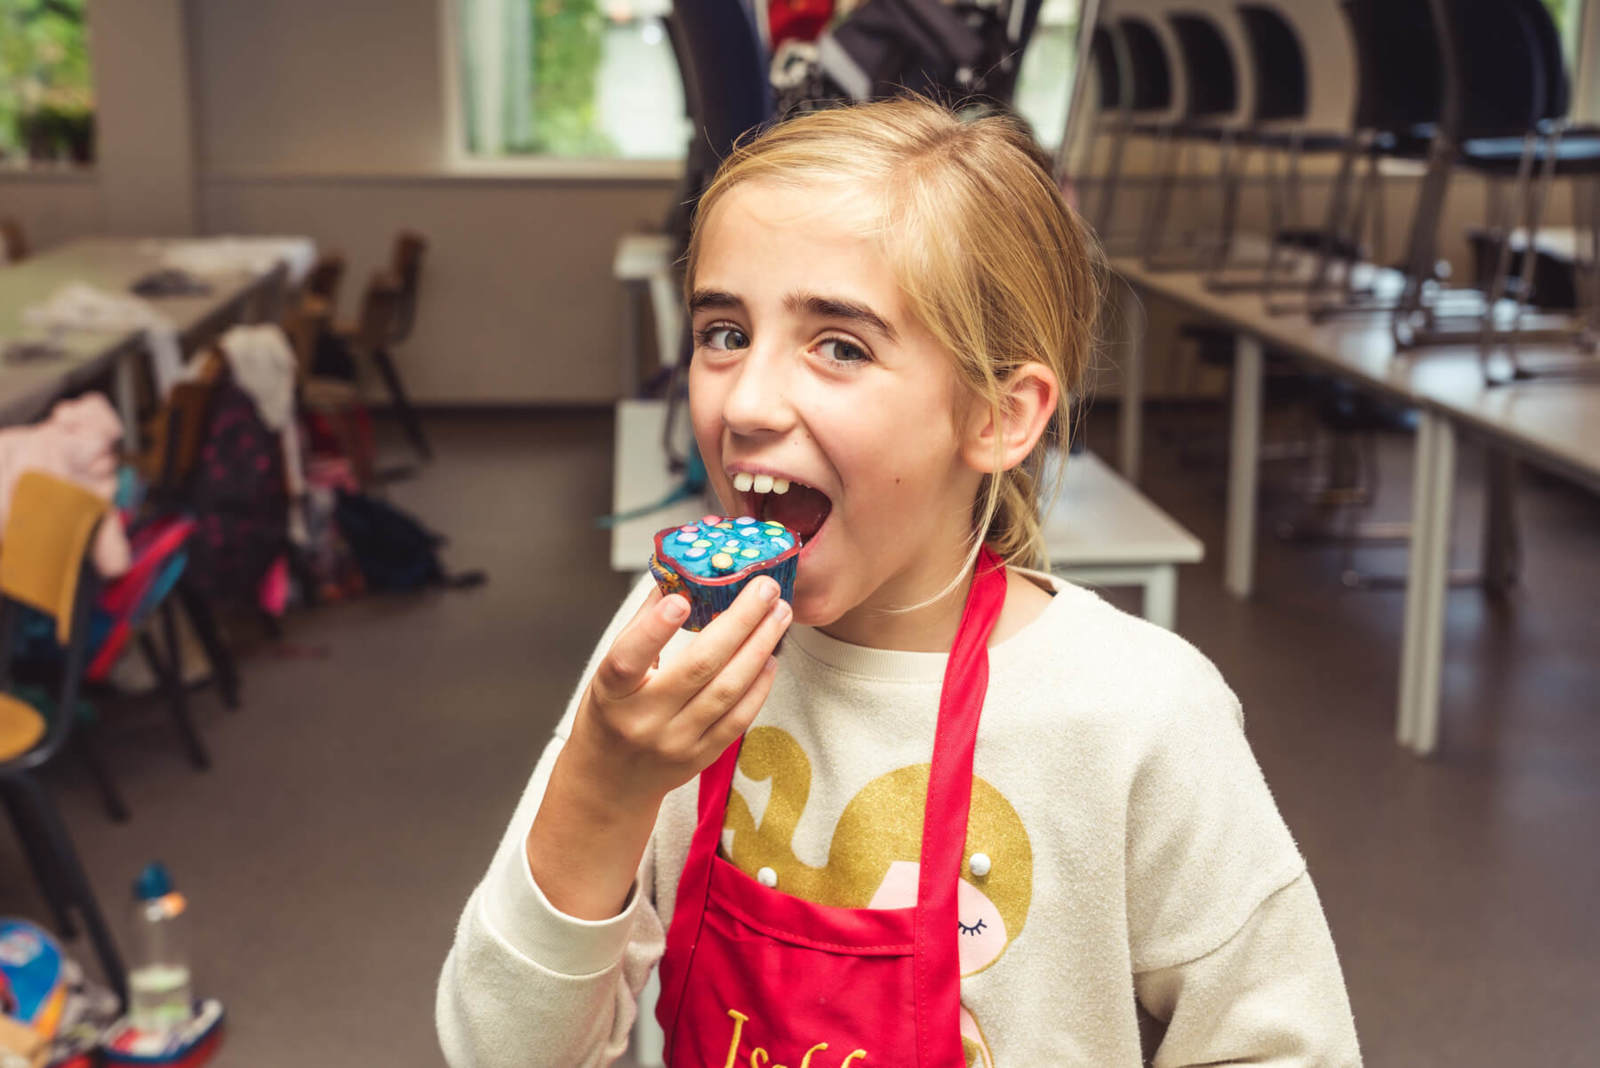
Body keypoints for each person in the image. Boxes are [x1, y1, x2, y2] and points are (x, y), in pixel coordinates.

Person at [437, 97, 1361, 1067]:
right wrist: (602, 783)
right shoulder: (669, 649)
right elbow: (499, 1051)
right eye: (721, 331)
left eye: (839, 345)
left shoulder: (1136, 715)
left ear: (1001, 416)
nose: (744, 402)